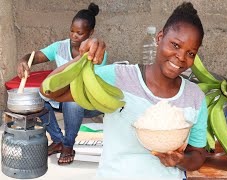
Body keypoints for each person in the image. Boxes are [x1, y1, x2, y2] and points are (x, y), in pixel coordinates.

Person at [41, 2, 207, 179]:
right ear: (159, 38)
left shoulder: (194, 97)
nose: (181, 57)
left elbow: (198, 154)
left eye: (191, 53)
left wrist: (179, 161)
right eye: (175, 45)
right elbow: (50, 90)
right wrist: (82, 59)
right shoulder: (119, 78)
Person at [17, 3, 107, 165]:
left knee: (73, 102)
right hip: (61, 98)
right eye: (72, 31)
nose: (74, 36)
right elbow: (35, 56)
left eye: (80, 33)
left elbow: (89, 86)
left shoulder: (96, 52)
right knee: (37, 97)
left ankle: (68, 145)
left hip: (87, 101)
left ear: (90, 33)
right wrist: (24, 61)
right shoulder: (60, 47)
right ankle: (58, 140)